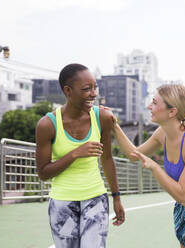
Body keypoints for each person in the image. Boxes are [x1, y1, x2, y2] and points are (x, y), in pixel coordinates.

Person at [110, 84, 185, 248]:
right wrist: (114, 126)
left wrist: (155, 167)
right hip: (183, 213)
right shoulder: (161, 133)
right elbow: (133, 155)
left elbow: (181, 193)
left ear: (172, 112)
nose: (149, 106)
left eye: (154, 102)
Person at [35, 63, 125, 248]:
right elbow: (43, 173)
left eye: (95, 87)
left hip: (95, 201)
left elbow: (107, 159)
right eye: (86, 89)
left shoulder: (102, 118)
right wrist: (75, 154)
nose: (94, 93)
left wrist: (116, 197)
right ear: (68, 90)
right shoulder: (47, 125)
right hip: (62, 205)